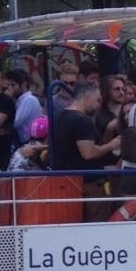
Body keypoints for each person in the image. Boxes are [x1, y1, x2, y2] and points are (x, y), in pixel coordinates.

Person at [49, 81, 120, 221]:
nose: (99, 104)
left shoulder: (57, 117)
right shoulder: (82, 121)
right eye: (97, 99)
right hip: (87, 184)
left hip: (63, 183)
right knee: (96, 223)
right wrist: (111, 145)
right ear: (88, 96)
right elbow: (88, 153)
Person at [5, 68, 43, 146]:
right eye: (8, 85)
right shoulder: (20, 100)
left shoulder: (28, 100)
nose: (10, 88)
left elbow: (15, 122)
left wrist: (8, 100)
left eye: (13, 85)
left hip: (29, 142)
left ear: (24, 84)